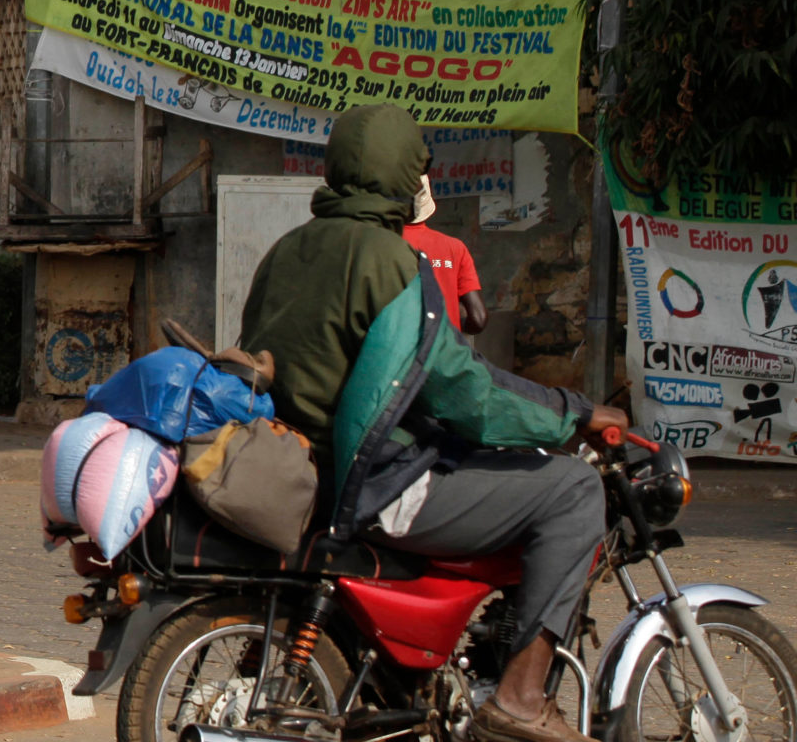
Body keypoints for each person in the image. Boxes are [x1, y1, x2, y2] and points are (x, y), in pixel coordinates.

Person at [238, 105, 623, 742]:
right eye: (418, 170)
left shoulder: (288, 250)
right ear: (402, 176)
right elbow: (461, 391)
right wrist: (569, 416)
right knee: (574, 490)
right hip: (377, 485)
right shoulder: (391, 261)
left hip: (301, 472)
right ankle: (523, 697)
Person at [404, 175, 488, 334]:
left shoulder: (382, 247)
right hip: (446, 353)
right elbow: (479, 319)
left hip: (401, 355)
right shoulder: (455, 247)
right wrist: (452, 330)